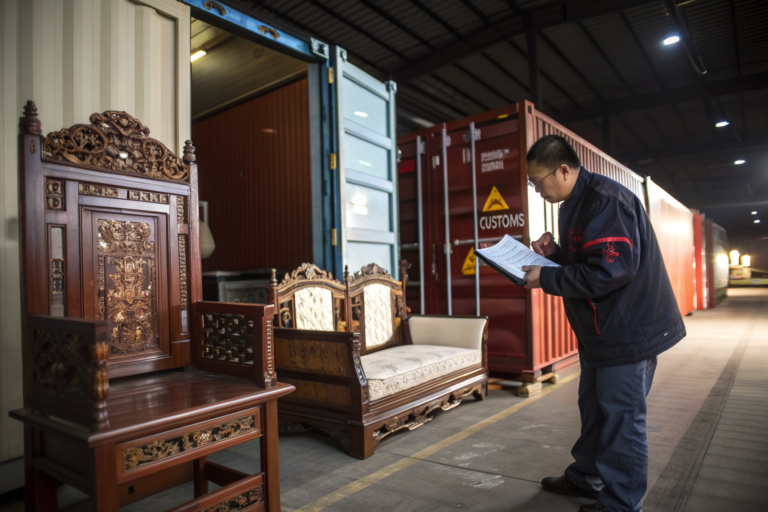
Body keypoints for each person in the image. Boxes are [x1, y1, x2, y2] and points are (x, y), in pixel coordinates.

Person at [520, 135, 685, 512]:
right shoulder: (572, 203)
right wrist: (555, 256)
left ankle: (622, 505)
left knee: (622, 421)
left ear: (563, 170)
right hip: (599, 332)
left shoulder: (606, 201)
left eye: (537, 181)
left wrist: (547, 277)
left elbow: (611, 271)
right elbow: (587, 262)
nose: (536, 189)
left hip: (626, 332)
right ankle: (586, 478)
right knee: (595, 410)